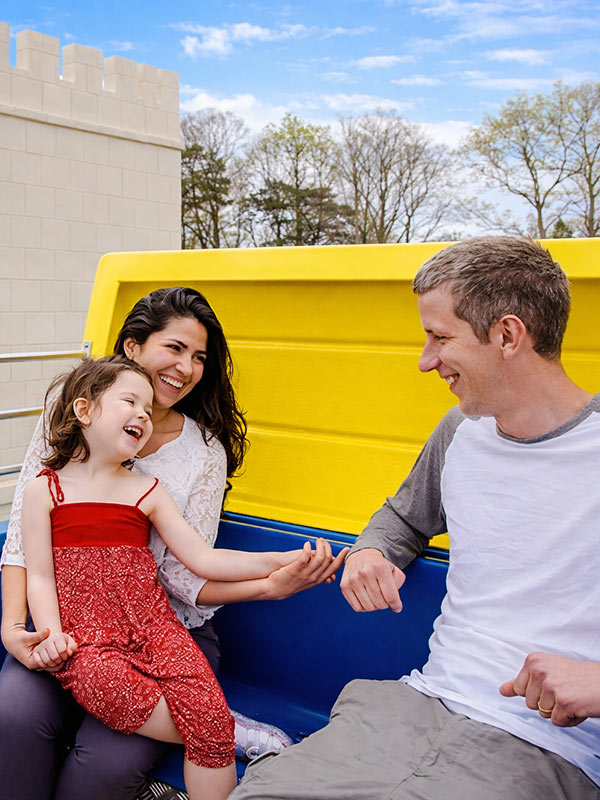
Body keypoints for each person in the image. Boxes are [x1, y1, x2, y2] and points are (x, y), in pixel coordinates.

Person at [228, 236, 600, 800]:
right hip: (413, 706)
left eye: (440, 337)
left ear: (507, 335)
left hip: (546, 747)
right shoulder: (460, 434)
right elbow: (401, 519)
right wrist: (372, 551)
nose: (426, 362)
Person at [0, 286, 347, 800]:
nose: (186, 368)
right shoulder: (59, 451)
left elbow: (192, 568)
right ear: (133, 348)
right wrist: (18, 629)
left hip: (158, 624)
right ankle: (216, 723)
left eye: (200, 357)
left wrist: (274, 577)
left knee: (100, 769)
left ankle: (214, 724)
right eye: (175, 348)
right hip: (76, 629)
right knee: (14, 717)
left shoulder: (186, 463)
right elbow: (29, 551)